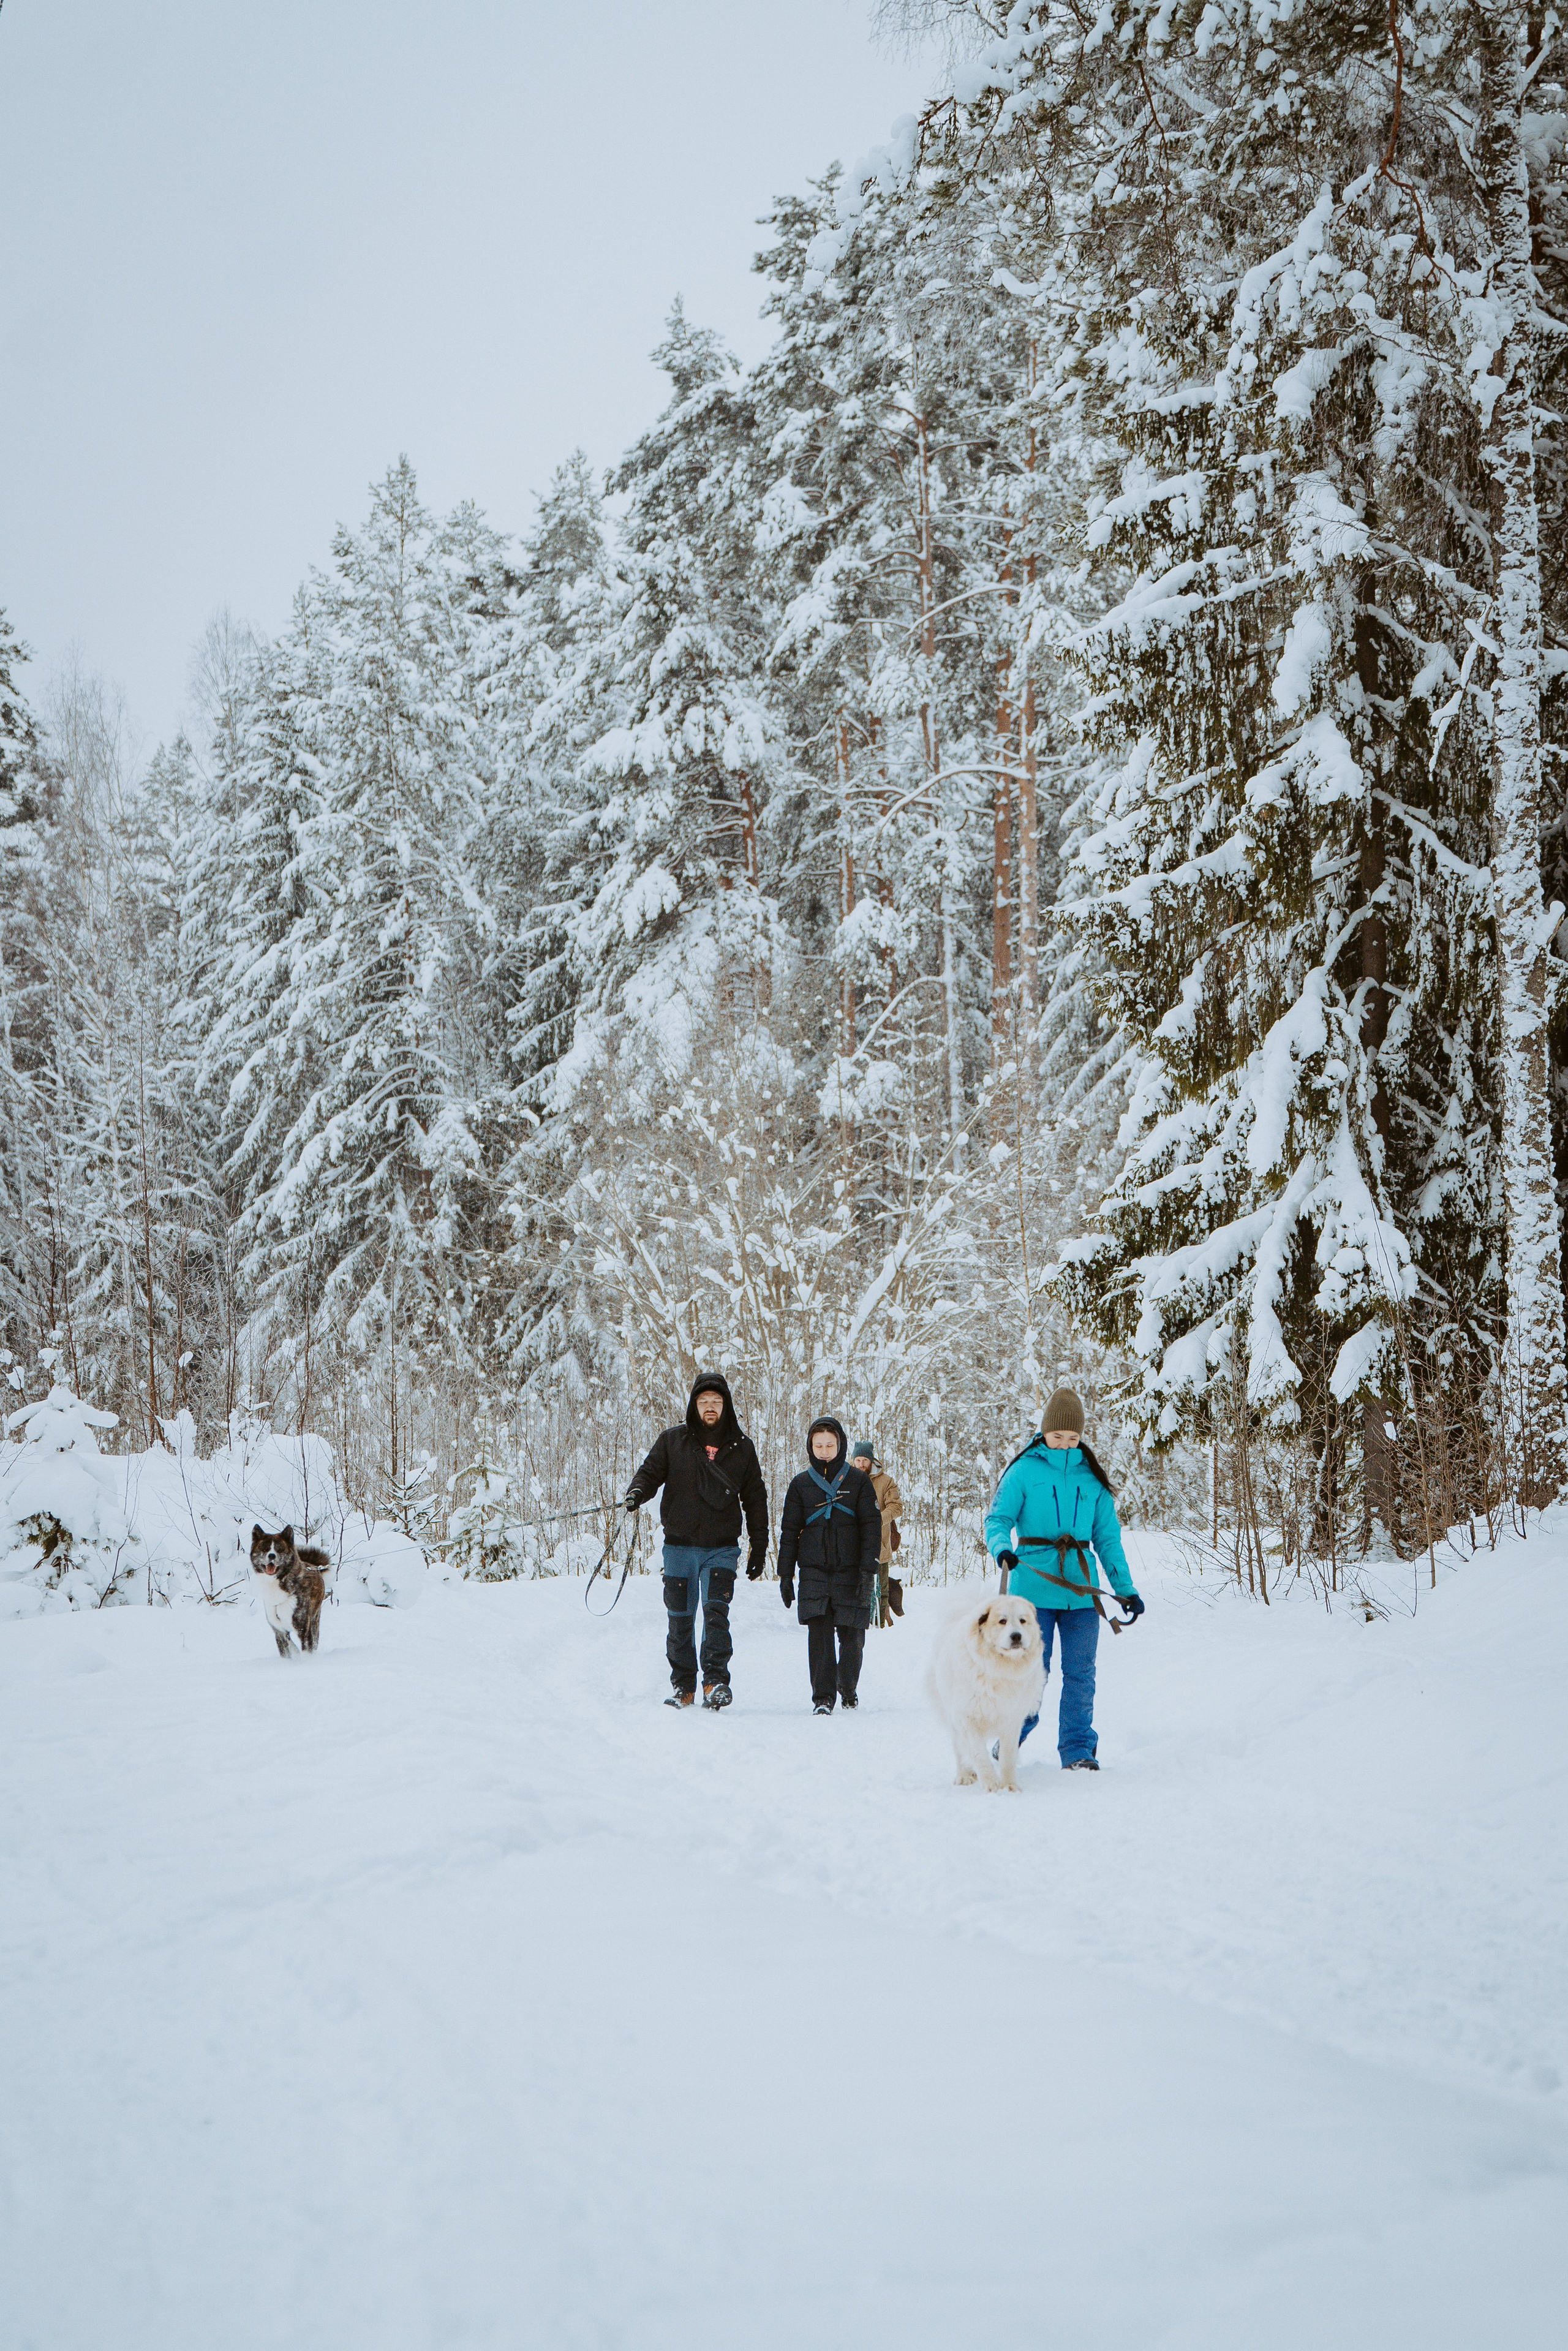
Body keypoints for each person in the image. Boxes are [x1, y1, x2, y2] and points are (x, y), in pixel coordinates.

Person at [982, 1387, 1144, 1770]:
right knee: (1030, 1676)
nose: (1065, 1443)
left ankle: (1078, 1752)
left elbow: (1108, 1540)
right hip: (1031, 1593)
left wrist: (1126, 1590)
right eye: (1058, 1437)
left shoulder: (1092, 1480)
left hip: (1081, 1596)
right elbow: (998, 1519)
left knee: (1081, 1676)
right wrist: (1002, 1548)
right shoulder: (1024, 1470)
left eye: (1073, 1438)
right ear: (1045, 1432)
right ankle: (1008, 1742)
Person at [624, 1372, 769, 1710]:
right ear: (694, 1405)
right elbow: (650, 1472)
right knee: (680, 1616)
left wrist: (759, 1544)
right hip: (678, 1546)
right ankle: (684, 1686)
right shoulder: (673, 1441)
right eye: (703, 1402)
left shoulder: (742, 1448)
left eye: (716, 1402)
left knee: (716, 1614)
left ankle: (715, 1682)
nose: (710, 1407)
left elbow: (756, 1498)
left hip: (721, 1547)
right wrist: (636, 1493)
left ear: (726, 1406)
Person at [777, 1416, 883, 1713]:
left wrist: (868, 1570)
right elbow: (789, 1531)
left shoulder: (859, 1481)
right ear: (811, 1447)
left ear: (840, 1445)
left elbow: (871, 1526)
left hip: (852, 1571)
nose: (824, 1450)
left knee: (852, 1639)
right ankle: (823, 1698)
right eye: (819, 1445)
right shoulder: (800, 1485)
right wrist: (786, 1574)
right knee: (819, 1637)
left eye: (830, 1445)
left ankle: (847, 1687)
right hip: (813, 1572)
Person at [849, 1440, 904, 1622]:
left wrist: (878, 1519)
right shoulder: (845, 1478)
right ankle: (857, 1624)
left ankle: (880, 1625)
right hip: (851, 1545)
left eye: (865, 1460)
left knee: (882, 1589)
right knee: (852, 1588)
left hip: (879, 1545)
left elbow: (896, 1506)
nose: (862, 1464)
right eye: (858, 1460)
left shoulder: (886, 1482)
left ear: (872, 1461)